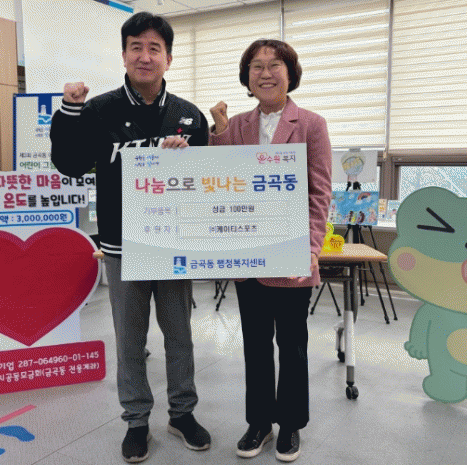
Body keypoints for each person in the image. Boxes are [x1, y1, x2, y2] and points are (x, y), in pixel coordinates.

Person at [50, 12, 211, 463]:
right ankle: (136, 421)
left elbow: (208, 182)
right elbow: (70, 164)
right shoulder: (99, 110)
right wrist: (70, 110)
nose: (145, 56)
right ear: (123, 55)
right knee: (130, 339)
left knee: (179, 336)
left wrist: (184, 160)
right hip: (122, 245)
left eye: (154, 48)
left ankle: (182, 414)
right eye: (136, 47)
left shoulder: (188, 116)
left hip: (173, 245)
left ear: (168, 58)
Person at [210, 39, 332, 462]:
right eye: (256, 66)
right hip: (248, 253)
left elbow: (319, 191)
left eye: (274, 65)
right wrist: (219, 130)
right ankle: (259, 422)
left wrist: (311, 247)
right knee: (256, 345)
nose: (265, 73)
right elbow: (219, 178)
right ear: (246, 77)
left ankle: (291, 424)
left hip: (291, 253)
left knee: (292, 346)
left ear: (290, 73)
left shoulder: (311, 124)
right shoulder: (236, 124)